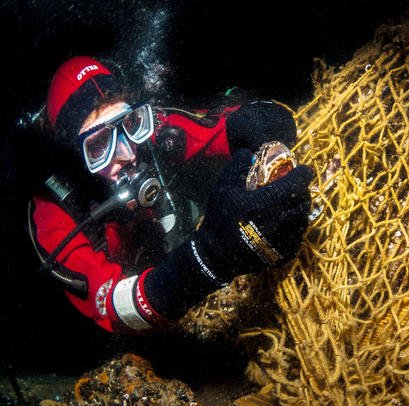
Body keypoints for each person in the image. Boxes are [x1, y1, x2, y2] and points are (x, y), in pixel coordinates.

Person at [27, 56, 314, 334]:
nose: (128, 153)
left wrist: (262, 133)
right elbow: (113, 306)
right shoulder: (52, 213)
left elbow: (231, 124)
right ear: (77, 158)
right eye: (99, 145)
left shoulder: (155, 133)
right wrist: (210, 256)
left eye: (129, 125)